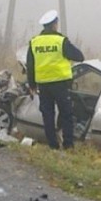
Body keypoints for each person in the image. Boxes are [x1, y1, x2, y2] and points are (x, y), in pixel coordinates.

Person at [26, 9, 84, 149]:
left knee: (48, 115)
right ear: (55, 24)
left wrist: (32, 85)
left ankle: (53, 145)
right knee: (66, 114)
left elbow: (30, 66)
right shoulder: (61, 41)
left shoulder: (34, 42)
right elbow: (79, 56)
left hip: (43, 85)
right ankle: (68, 144)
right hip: (61, 84)